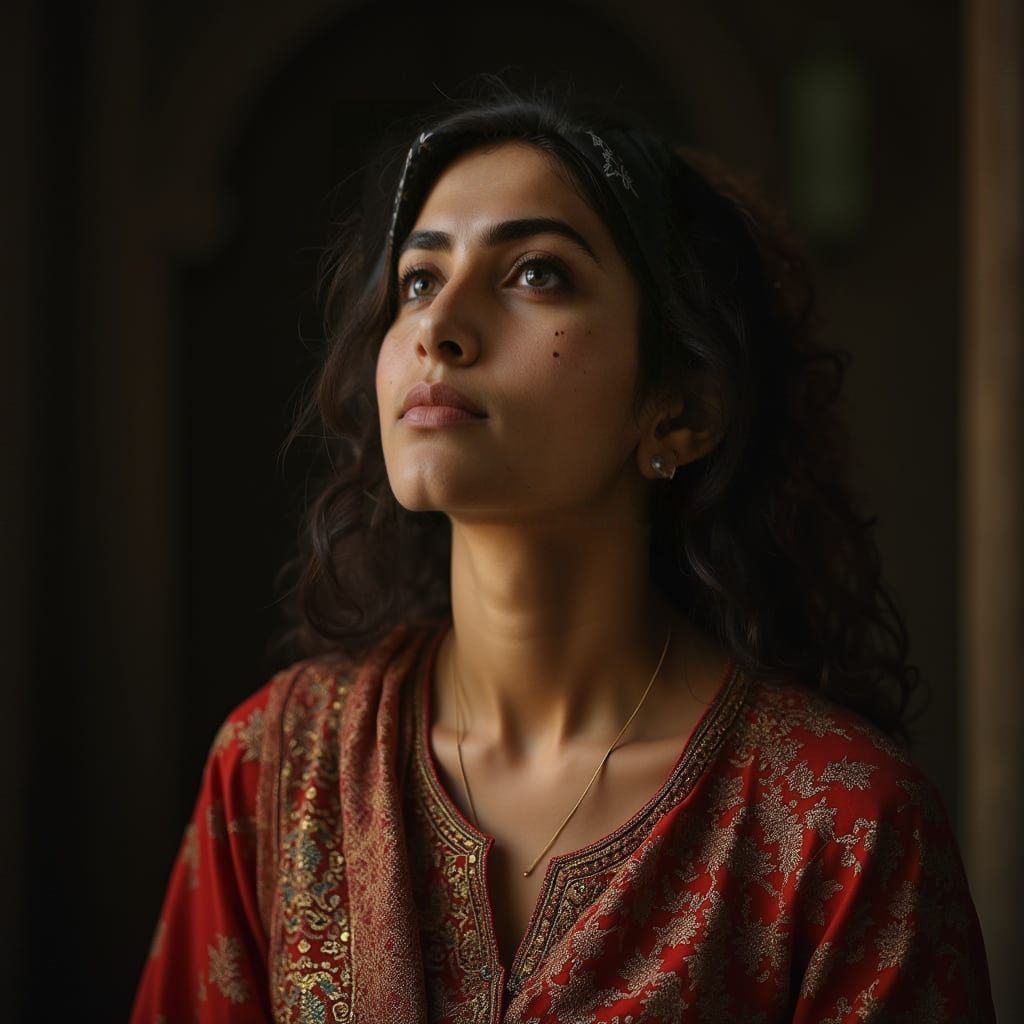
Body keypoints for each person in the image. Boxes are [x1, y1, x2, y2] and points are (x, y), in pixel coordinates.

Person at [130, 90, 995, 1023]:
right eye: (418, 280)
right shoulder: (278, 769)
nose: (437, 325)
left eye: (536, 273)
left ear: (680, 410)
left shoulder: (843, 828)